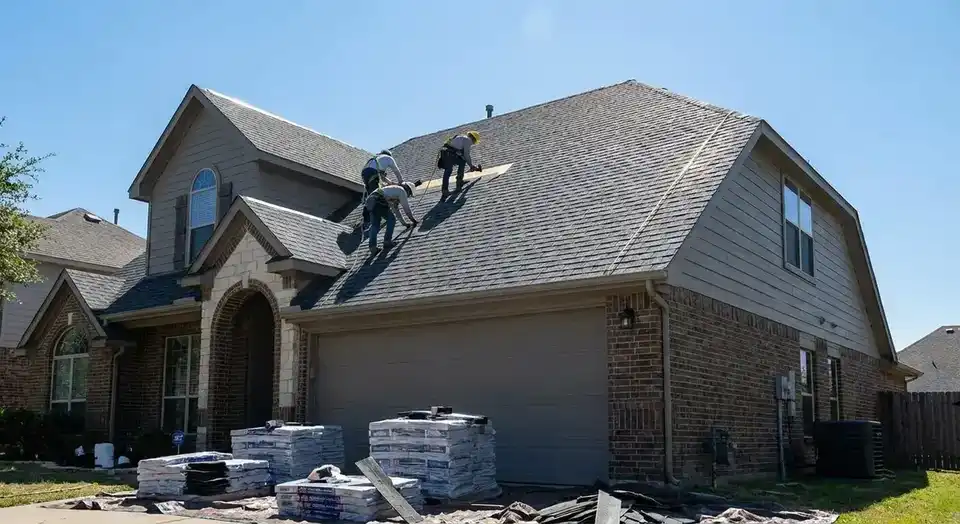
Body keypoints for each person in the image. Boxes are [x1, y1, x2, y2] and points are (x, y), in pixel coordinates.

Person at [366, 181, 419, 255]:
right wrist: (413, 220)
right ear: (408, 190)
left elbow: (396, 211)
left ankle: (373, 247)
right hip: (379, 200)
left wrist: (405, 224)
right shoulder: (401, 191)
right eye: (409, 194)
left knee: (375, 224)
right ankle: (387, 241)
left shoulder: (393, 192)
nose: (408, 196)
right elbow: (406, 208)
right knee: (391, 219)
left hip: (370, 201)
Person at [361, 150, 405, 232]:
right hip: (372, 174)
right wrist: (401, 182)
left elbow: (382, 177)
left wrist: (391, 183)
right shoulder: (389, 158)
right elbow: (396, 171)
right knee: (375, 196)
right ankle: (375, 218)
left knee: (371, 196)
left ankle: (367, 220)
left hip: (364, 174)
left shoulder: (375, 159)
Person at [437, 131, 481, 197]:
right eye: (474, 142)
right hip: (448, 154)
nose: (473, 143)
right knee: (448, 170)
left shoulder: (462, 138)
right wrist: (471, 166)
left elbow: (462, 155)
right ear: (473, 139)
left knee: (462, 162)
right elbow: (466, 155)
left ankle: (459, 181)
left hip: (447, 153)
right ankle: (445, 190)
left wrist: (471, 165)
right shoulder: (468, 140)